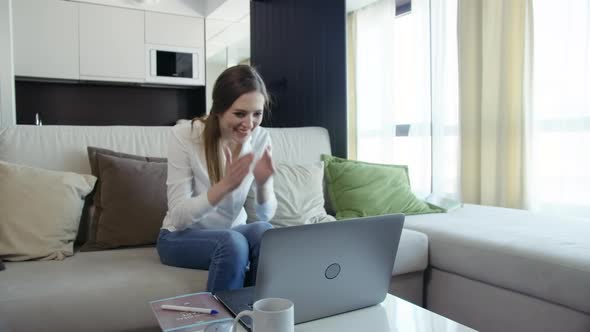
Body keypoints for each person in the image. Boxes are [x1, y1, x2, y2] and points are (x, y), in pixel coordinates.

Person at [157, 65, 277, 293]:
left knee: (266, 233)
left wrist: (263, 185)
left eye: (257, 114)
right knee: (232, 243)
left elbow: (264, 214)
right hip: (178, 237)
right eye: (240, 114)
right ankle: (220, 326)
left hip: (232, 231)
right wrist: (224, 186)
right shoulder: (184, 136)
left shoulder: (260, 138)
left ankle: (254, 317)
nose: (249, 124)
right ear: (219, 110)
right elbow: (180, 217)